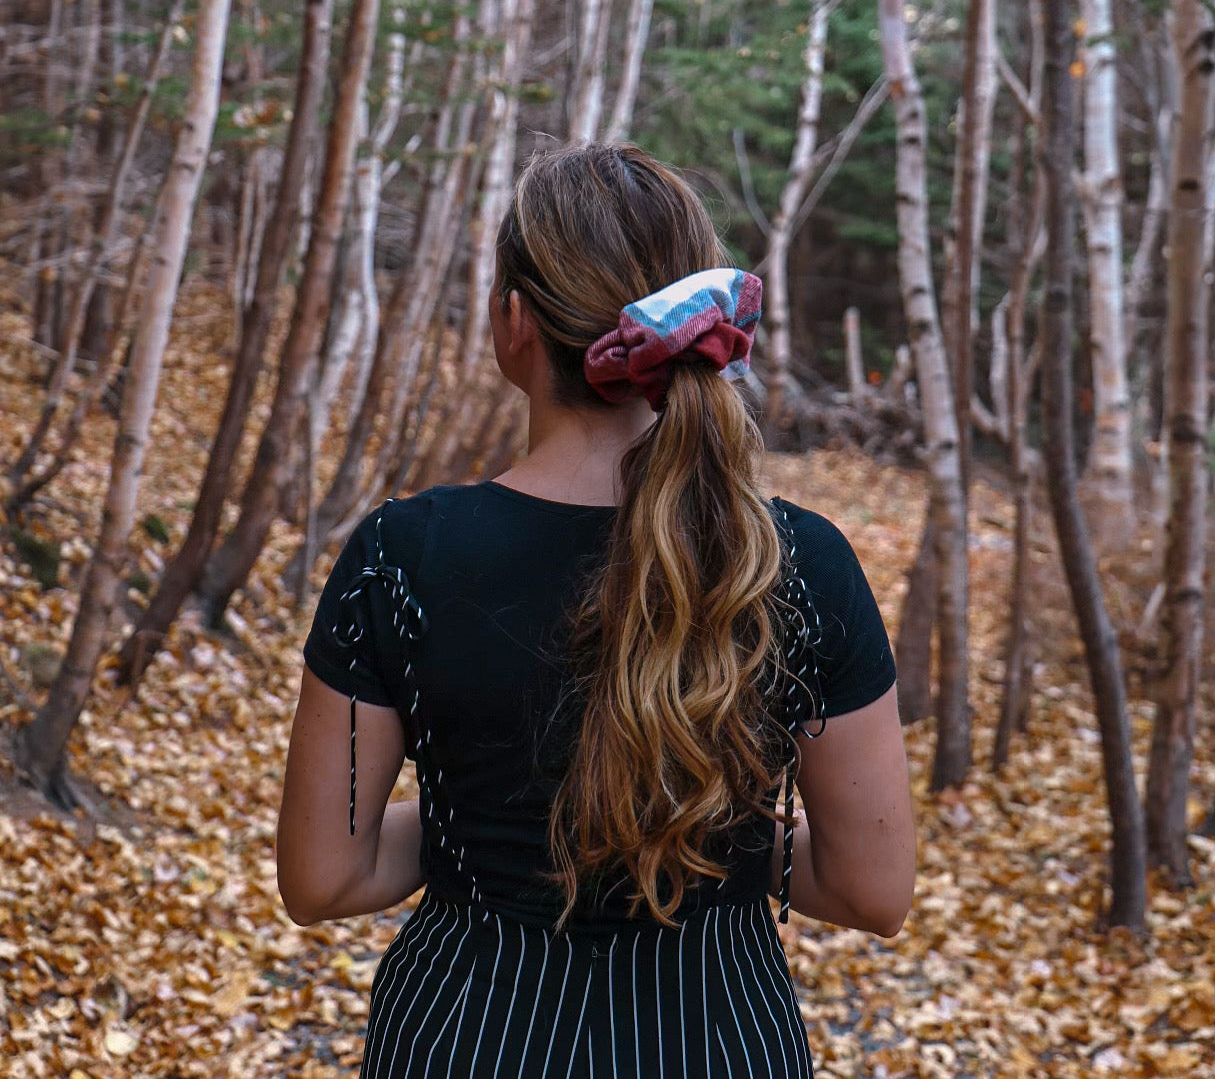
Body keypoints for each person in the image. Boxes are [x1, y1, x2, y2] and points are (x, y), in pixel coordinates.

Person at [278, 142, 915, 1079]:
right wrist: (706, 838)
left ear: (514, 321)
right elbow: (872, 888)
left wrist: (485, 819)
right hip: (717, 1042)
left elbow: (326, 874)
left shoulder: (400, 556)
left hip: (464, 1039)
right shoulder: (798, 561)